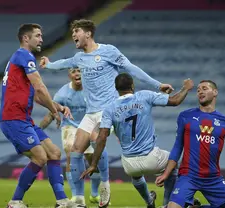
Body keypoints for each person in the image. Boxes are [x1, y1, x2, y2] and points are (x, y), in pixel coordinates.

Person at [39, 19, 174, 207]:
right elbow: (64, 63)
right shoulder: (79, 58)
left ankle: (104, 183)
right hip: (91, 112)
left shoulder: (109, 51)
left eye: (76, 32)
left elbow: (131, 68)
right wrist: (49, 64)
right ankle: (78, 199)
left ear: (87, 33)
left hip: (110, 110)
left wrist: (157, 85)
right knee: (75, 149)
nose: (73, 37)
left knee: (95, 137)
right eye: (72, 34)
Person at [81, 73, 194, 208]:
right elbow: (175, 101)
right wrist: (185, 88)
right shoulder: (144, 96)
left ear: (116, 88)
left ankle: (149, 201)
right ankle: (166, 205)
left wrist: (94, 164)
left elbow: (102, 137)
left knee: (136, 175)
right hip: (152, 158)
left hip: (129, 164)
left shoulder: (110, 108)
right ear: (133, 86)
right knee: (173, 163)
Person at [155, 80, 225, 208]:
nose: (200, 92)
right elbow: (177, 147)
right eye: (198, 90)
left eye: (204, 88)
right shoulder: (186, 116)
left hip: (213, 178)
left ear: (215, 92)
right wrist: (166, 173)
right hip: (189, 176)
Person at [0, 23, 75, 208]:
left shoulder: (20, 58)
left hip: (24, 119)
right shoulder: (24, 55)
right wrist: (54, 110)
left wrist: (55, 106)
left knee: (54, 153)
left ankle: (61, 201)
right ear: (26, 38)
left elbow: (36, 94)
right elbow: (40, 86)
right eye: (38, 36)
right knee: (40, 157)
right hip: (13, 119)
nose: (41, 39)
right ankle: (15, 201)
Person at [39, 67, 102, 203]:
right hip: (70, 126)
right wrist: (38, 129)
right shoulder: (62, 94)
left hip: (89, 126)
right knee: (70, 153)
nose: (77, 73)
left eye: (79, 70)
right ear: (69, 76)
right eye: (74, 71)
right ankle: (76, 196)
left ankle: (95, 193)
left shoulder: (92, 90)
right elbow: (51, 112)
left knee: (93, 160)